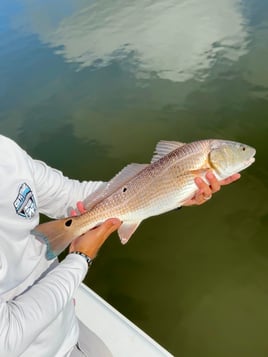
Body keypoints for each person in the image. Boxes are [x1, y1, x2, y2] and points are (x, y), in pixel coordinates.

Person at [0, 134, 240, 356]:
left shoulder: (5, 151)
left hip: (67, 323)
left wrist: (169, 193)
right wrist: (79, 259)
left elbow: (69, 196)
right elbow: (8, 338)